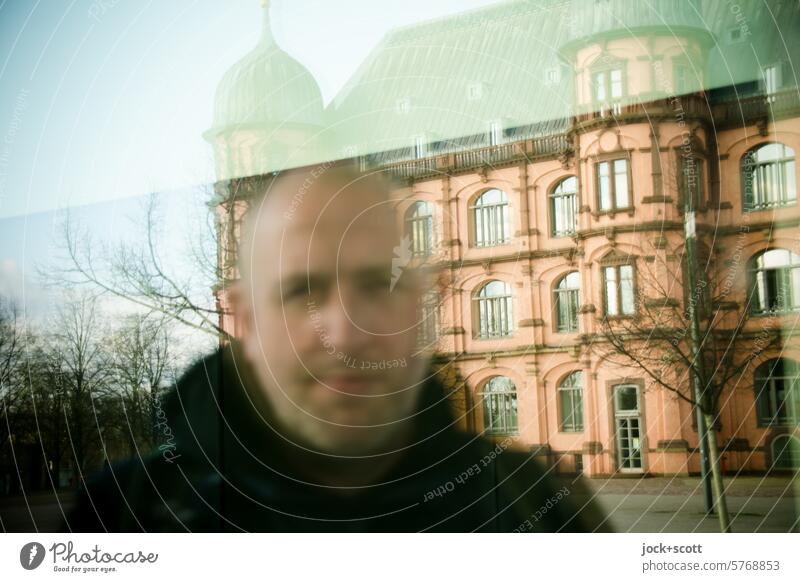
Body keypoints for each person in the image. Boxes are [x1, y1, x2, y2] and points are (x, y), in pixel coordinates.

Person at [65, 162, 610, 532]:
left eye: (380, 285)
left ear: (427, 304)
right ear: (243, 319)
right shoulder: (123, 512)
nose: (345, 335)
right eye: (300, 290)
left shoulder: (537, 504)